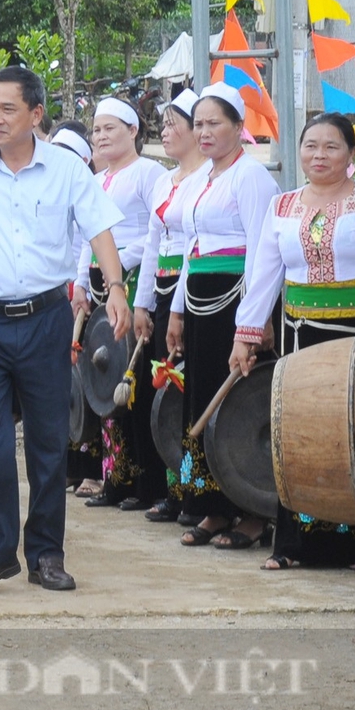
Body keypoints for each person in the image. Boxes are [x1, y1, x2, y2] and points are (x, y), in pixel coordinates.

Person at [0, 67, 130, 598]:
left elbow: (99, 228)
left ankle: (46, 554)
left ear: (35, 114)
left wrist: (118, 287)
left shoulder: (66, 169)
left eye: (6, 109)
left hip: (45, 320)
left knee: (46, 442)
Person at [231, 114, 355, 570]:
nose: (319, 156)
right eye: (310, 146)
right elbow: (263, 274)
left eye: (331, 147)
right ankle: (293, 546)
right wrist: (246, 334)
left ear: (351, 154)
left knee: (353, 433)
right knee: (298, 434)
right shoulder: (282, 206)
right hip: (300, 335)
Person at [165, 82, 277, 550]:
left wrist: (250, 325)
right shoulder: (196, 183)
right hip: (197, 300)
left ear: (239, 127)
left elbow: (262, 253)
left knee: (236, 405)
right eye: (200, 124)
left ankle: (251, 513)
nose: (205, 132)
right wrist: (175, 312)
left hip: (234, 300)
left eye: (216, 123)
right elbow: (191, 250)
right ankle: (212, 505)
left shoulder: (251, 178)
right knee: (200, 400)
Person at [82, 97, 171, 512]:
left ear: (133, 130)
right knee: (104, 380)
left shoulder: (149, 173)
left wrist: (119, 263)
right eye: (96, 130)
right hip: (102, 284)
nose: (100, 136)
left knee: (131, 379)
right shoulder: (97, 179)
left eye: (110, 128)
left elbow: (156, 231)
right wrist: (84, 280)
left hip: (133, 281)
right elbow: (89, 235)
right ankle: (115, 479)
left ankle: (148, 483)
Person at [132, 90, 205, 524]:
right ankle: (169, 486)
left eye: (176, 122)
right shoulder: (165, 179)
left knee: (188, 388)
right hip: (162, 289)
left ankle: (193, 489)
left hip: (194, 290)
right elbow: (152, 243)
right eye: (164, 122)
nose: (167, 130)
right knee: (163, 386)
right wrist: (143, 302)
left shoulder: (207, 179)